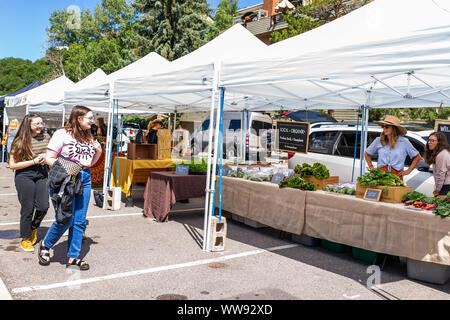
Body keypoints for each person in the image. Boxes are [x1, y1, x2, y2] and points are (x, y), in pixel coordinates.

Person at [38, 106, 102, 270]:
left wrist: (99, 151)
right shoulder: (62, 133)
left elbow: (90, 163)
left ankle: (73, 257)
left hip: (84, 178)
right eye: (90, 118)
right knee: (66, 218)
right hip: (65, 179)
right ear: (79, 118)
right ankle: (46, 245)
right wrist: (70, 170)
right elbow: (49, 158)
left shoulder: (88, 135)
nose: (92, 121)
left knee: (80, 221)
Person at [8, 114, 50, 252]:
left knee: (43, 206)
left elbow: (51, 154)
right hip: (24, 175)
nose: (40, 126)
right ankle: (25, 239)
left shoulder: (46, 137)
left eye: (41, 123)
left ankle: (34, 227)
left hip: (42, 173)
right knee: (28, 208)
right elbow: (12, 165)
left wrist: (46, 157)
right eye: (36, 124)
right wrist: (33, 161)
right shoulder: (20, 141)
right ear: (28, 125)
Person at [364, 115, 422, 180]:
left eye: (387, 127)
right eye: (383, 126)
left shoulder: (404, 142)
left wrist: (408, 171)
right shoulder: (378, 140)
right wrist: (371, 167)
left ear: (394, 128)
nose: (384, 129)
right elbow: (366, 153)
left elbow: (418, 157)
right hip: (380, 176)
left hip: (396, 177)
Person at [423, 132, 450, 197]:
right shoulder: (442, 153)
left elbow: (441, 174)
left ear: (439, 142)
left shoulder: (442, 155)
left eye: (432, 140)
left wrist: (437, 190)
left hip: (446, 187)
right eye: (428, 140)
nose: (429, 142)